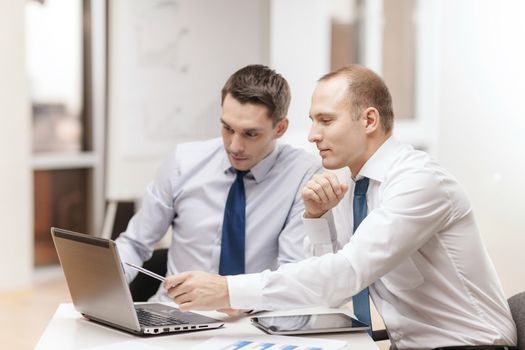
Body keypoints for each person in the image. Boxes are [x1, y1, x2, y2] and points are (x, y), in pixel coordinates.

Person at [163, 65, 517, 349]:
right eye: (313, 120)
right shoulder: (352, 185)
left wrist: (227, 289)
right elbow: (334, 291)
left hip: (471, 345)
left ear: (369, 121)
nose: (312, 135)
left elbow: (347, 273)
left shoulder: (418, 182)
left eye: (326, 120)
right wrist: (316, 219)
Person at [116, 64, 322, 303]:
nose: (234, 146)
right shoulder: (183, 162)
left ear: (280, 128)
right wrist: (103, 287)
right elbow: (135, 243)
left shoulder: (303, 176)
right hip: (173, 315)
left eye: (250, 134)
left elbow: (292, 275)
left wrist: (235, 297)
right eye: (227, 128)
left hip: (255, 322)